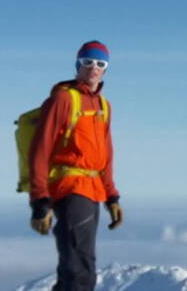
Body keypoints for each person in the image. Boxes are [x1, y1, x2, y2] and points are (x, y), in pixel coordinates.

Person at [27, 40, 123, 291]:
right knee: (78, 269)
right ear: (78, 65)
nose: (93, 68)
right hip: (70, 187)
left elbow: (105, 154)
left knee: (82, 265)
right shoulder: (63, 100)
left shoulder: (103, 105)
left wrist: (111, 195)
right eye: (87, 62)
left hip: (92, 189)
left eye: (100, 64)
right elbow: (40, 148)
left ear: (106, 69)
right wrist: (39, 200)